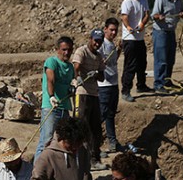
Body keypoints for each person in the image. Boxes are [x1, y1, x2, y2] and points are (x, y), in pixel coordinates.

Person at [71, 29, 107, 170]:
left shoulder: (98, 56)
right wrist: (79, 76)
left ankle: (93, 159)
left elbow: (102, 76)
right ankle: (79, 158)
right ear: (90, 38)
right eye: (95, 40)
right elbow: (76, 67)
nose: (97, 43)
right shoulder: (82, 51)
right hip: (82, 93)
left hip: (94, 94)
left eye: (100, 41)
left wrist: (96, 74)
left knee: (95, 129)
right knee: (81, 125)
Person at [34, 36, 75, 162]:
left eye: (69, 50)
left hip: (65, 108)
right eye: (63, 49)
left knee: (63, 140)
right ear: (57, 49)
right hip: (51, 107)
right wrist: (52, 96)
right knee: (46, 140)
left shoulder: (70, 67)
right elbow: (50, 79)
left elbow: (70, 82)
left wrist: (72, 88)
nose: (66, 52)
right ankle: (37, 172)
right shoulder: (52, 62)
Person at [151, 0, 183, 93]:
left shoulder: (179, 0)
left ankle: (167, 81)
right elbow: (154, 15)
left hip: (171, 32)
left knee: (170, 59)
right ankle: (158, 84)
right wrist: (159, 16)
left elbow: (182, 11)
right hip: (160, 32)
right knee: (161, 59)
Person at [120, 0, 151, 103]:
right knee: (130, 65)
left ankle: (141, 85)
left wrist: (143, 23)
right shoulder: (127, 2)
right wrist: (129, 27)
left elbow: (147, 14)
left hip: (140, 38)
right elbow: (124, 16)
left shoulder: (144, 0)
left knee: (142, 63)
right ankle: (126, 90)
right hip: (130, 38)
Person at [97, 17, 123, 154]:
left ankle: (112, 142)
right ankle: (94, 145)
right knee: (101, 115)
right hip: (104, 85)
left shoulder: (112, 45)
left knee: (110, 115)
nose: (113, 33)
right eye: (111, 30)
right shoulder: (101, 45)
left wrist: (119, 50)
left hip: (113, 84)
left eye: (115, 30)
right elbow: (99, 62)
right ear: (105, 29)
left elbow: (113, 61)